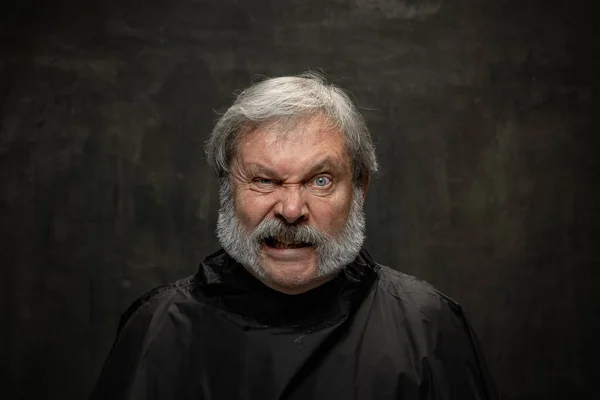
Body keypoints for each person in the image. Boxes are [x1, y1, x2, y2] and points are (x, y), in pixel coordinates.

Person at [90, 72, 498, 399]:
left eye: (320, 181)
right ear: (227, 191)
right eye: (264, 180)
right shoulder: (158, 329)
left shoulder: (427, 328)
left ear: (360, 188)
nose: (290, 210)